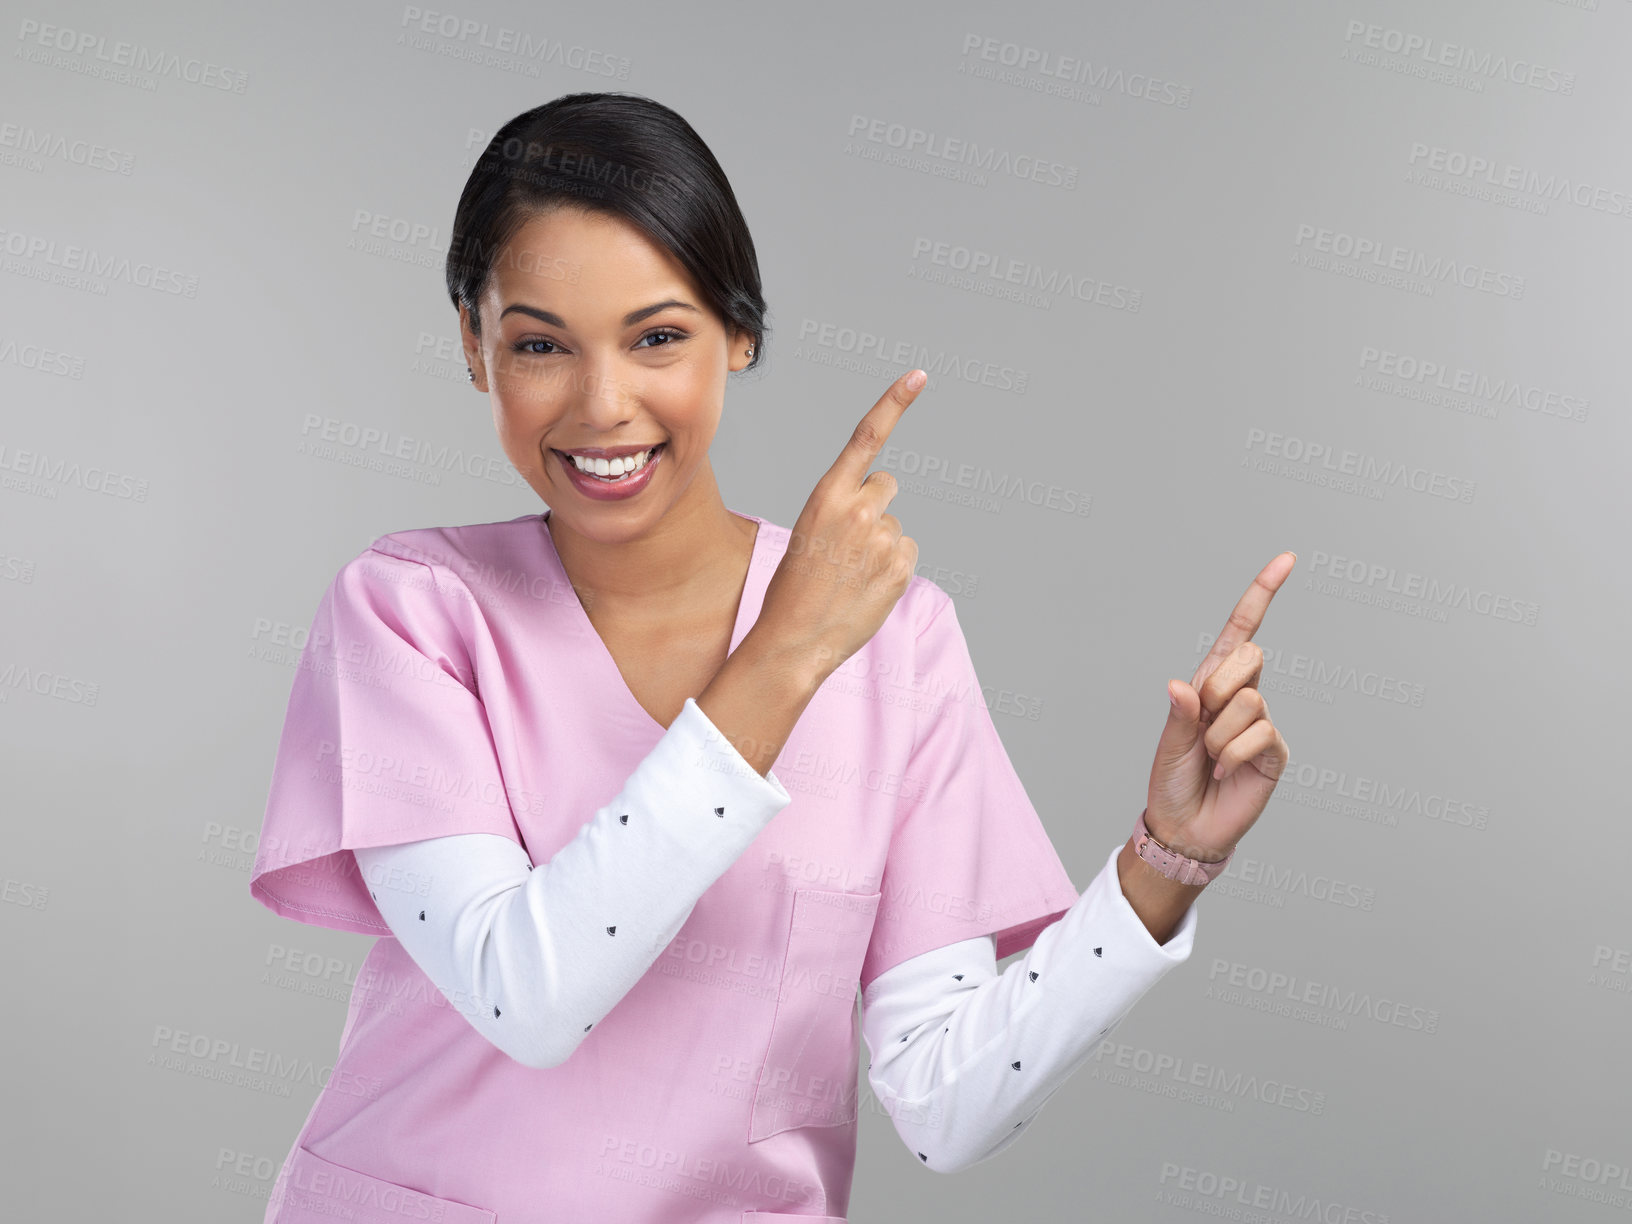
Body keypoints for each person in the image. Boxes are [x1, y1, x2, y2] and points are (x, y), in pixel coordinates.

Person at [249, 91, 1293, 1223]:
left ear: (738, 334)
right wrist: (784, 656)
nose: (605, 406)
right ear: (473, 346)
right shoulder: (409, 615)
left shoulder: (897, 638)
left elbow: (946, 1105)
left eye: (658, 338)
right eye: (540, 344)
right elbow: (530, 994)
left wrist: (1164, 863)